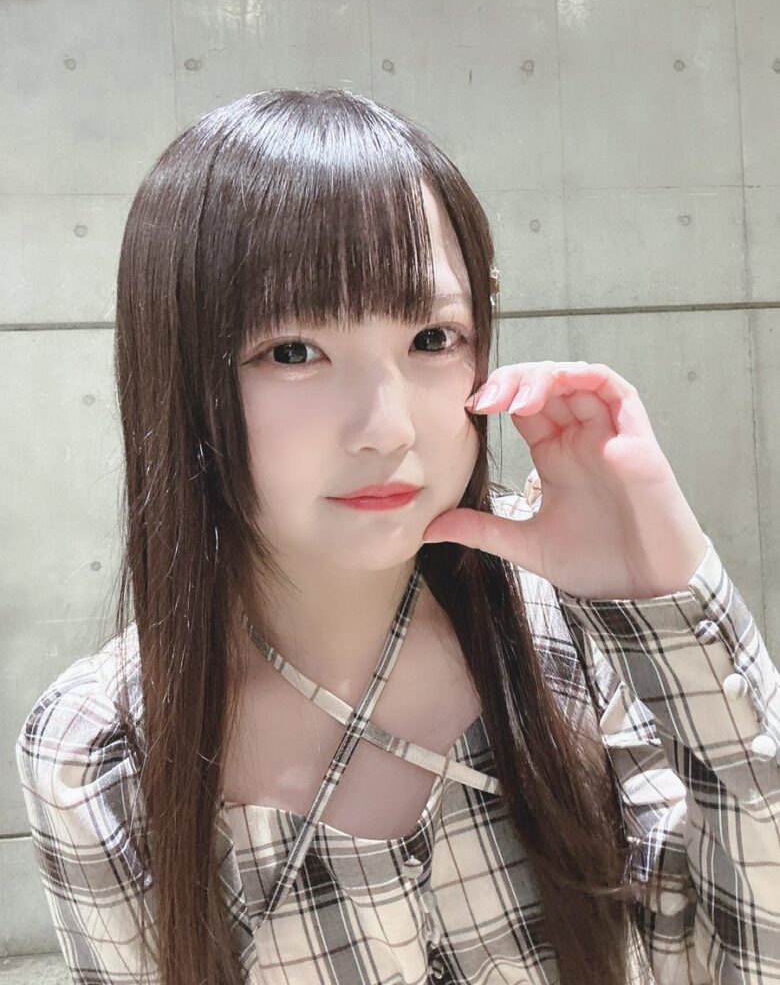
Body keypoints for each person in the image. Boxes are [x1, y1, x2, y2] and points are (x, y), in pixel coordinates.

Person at [15, 88, 779, 985]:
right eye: (292, 351)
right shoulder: (103, 750)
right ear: (179, 374)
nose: (387, 428)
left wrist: (668, 588)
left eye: (432, 337)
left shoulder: (572, 632)